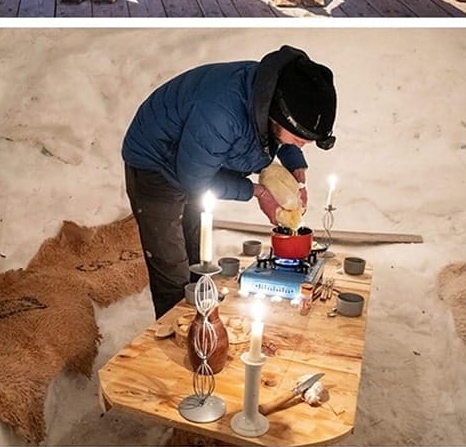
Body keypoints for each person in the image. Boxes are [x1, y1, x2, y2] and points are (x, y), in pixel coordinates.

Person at [121, 44, 337, 318]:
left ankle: (203, 322)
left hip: (193, 154)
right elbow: (195, 180)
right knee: (172, 269)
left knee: (197, 255)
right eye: (299, 140)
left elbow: (278, 135)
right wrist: (257, 191)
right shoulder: (222, 115)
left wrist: (297, 169)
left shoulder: (272, 95)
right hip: (155, 163)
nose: (301, 145)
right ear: (275, 116)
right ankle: (176, 333)